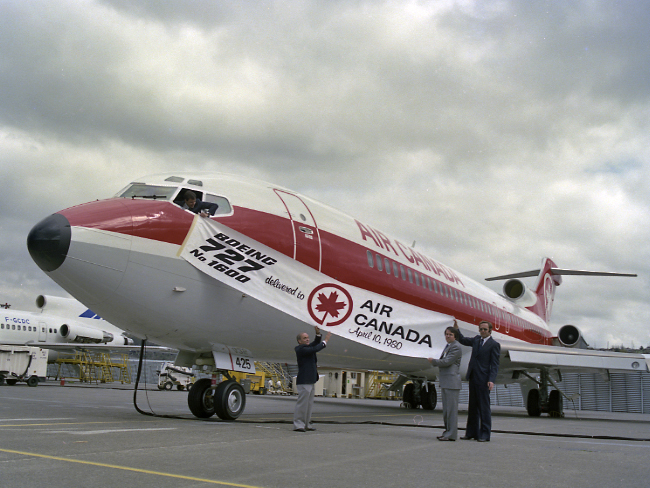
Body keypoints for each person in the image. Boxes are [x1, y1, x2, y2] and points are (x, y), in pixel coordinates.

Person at [455, 320, 500, 442]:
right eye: (481, 329)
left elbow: (494, 365)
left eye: (485, 329)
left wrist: (491, 380)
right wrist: (457, 329)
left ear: (490, 330)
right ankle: (471, 433)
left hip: (484, 379)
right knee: (473, 407)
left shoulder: (494, 345)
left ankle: (485, 434)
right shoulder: (476, 340)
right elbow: (463, 340)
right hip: (474, 377)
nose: (483, 331)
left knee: (484, 408)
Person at [427, 324, 462, 441]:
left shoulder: (456, 347)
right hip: (446, 381)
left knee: (451, 411)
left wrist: (433, 361)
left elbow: (447, 361)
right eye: (446, 334)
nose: (448, 336)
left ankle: (451, 434)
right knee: (447, 411)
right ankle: (447, 433)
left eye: (450, 334)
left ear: (455, 336)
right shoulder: (448, 346)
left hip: (452, 382)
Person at [293, 325, 331, 432]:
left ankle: (306, 423)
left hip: (311, 379)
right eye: (305, 338)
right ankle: (298, 424)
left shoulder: (307, 348)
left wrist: (318, 334)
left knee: (309, 404)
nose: (307, 339)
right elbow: (315, 348)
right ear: (299, 341)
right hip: (304, 380)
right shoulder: (300, 349)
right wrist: (325, 341)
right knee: (302, 404)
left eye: (308, 337)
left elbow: (314, 344)